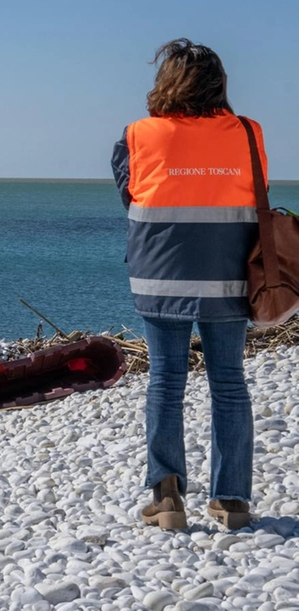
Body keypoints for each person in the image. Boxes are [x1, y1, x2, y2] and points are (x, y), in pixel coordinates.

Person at [111, 38, 265, 531]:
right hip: (229, 275)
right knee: (229, 382)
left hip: (160, 275)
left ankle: (167, 498)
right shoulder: (246, 132)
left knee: (165, 382)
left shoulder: (138, 134)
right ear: (220, 83)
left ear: (165, 83)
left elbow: (129, 194)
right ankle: (232, 501)